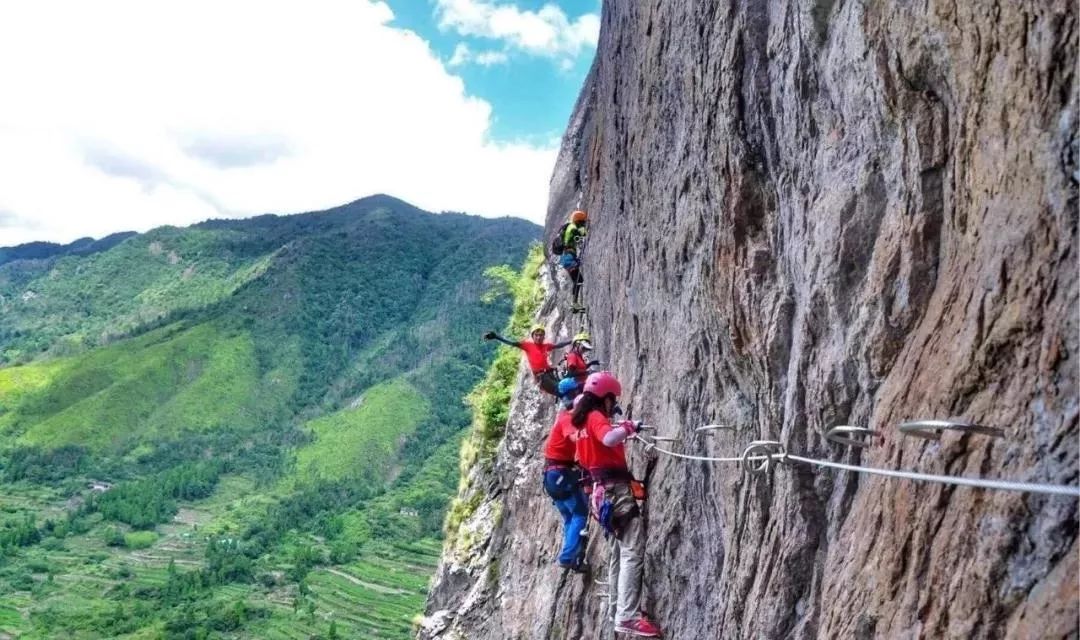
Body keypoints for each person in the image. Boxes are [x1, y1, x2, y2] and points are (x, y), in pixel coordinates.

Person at [572, 371, 662, 638]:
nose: (613, 405)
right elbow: (609, 438)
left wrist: (621, 431)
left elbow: (594, 452)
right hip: (614, 492)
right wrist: (628, 427)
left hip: (600, 494)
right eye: (612, 399)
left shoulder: (582, 422)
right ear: (605, 397)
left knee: (617, 552)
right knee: (632, 548)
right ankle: (627, 615)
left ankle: (617, 610)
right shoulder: (596, 417)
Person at [541, 378, 590, 573]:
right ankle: (568, 556)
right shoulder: (567, 418)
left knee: (570, 517)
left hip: (552, 476)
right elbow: (573, 437)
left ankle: (573, 555)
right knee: (580, 513)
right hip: (560, 474)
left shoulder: (563, 415)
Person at [483, 325, 570, 395]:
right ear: (532, 336)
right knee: (561, 389)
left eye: (541, 335)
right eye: (536, 335)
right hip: (541, 377)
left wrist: (572, 341)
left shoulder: (546, 346)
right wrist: (497, 337)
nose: (538, 337)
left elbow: (559, 345)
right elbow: (512, 343)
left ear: (544, 336)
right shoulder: (527, 345)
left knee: (565, 387)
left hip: (550, 373)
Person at [558, 210, 587, 311]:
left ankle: (574, 304)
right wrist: (584, 231)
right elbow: (579, 237)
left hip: (567, 257)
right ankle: (574, 304)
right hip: (569, 257)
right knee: (578, 280)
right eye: (583, 222)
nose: (584, 223)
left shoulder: (570, 227)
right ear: (579, 221)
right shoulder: (573, 228)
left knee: (578, 280)